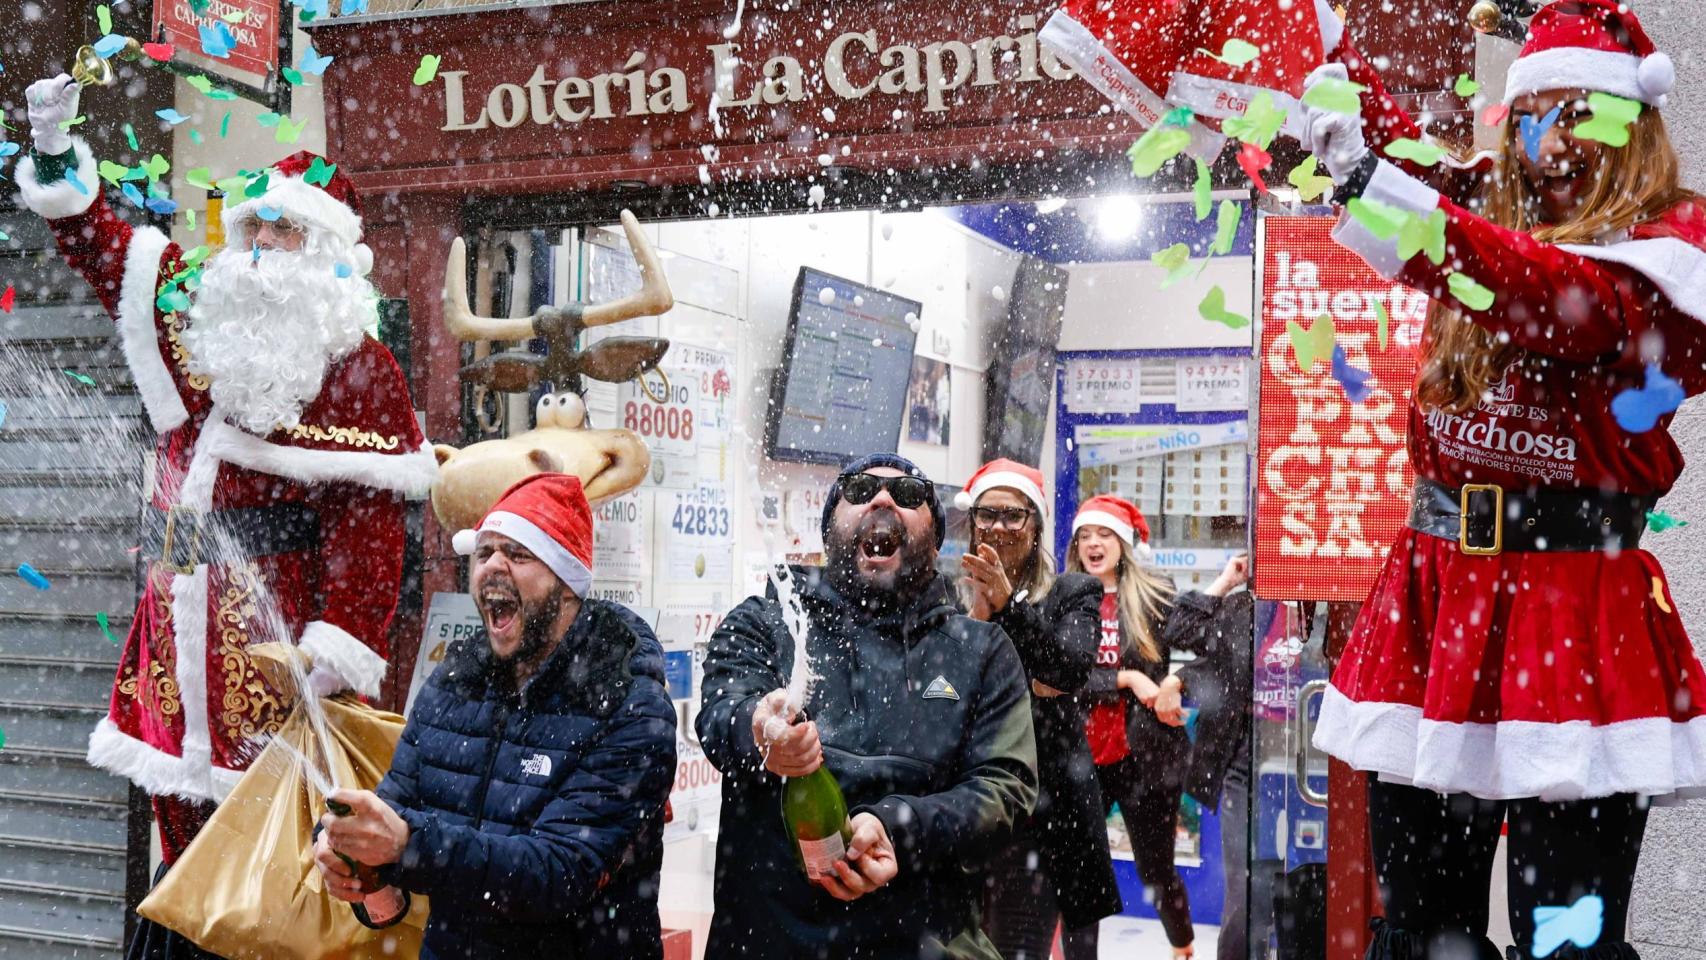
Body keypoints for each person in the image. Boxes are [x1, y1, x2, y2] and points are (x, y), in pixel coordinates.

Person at [1300, 1, 1706, 956]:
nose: (1545, 144)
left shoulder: (1670, 255)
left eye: (1577, 116)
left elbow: (1553, 296)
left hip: (1574, 611)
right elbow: (1411, 168)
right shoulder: (1490, 213)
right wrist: (1320, 49)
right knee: (1422, 935)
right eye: (1527, 116)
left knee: (1568, 946)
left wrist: (1376, 189)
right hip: (1438, 596)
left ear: (1635, 126)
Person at [14, 74, 437, 955]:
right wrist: (54, 154)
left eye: (287, 230)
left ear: (328, 255)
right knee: (180, 851)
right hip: (172, 653)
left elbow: (367, 543)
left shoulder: (362, 373)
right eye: (255, 229)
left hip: (273, 668)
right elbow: (107, 250)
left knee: (273, 869)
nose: (264, 246)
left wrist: (326, 657)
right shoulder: (201, 315)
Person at [314, 473, 677, 959]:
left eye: (519, 554)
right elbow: (396, 807)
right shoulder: (453, 684)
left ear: (567, 585)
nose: (493, 566)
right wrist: (353, 852)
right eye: (484, 552)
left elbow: (560, 873)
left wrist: (406, 845)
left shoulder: (629, 703)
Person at [697, 453, 1038, 959]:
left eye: (907, 495)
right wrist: (760, 730)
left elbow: (1005, 789)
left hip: (922, 941)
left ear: (936, 538)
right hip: (769, 939)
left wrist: (897, 826)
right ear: (829, 528)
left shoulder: (981, 651)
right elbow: (721, 714)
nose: (881, 499)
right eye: (858, 490)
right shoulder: (765, 623)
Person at [953, 460, 1123, 959]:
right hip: (959, 807)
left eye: (1014, 515)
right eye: (988, 514)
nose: (999, 527)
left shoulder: (1073, 592)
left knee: (1016, 947)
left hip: (1040, 814)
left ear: (1037, 525)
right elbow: (944, 691)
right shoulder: (945, 594)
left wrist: (1007, 606)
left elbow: (1068, 669)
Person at [1061, 495, 1196, 960]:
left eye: (1104, 534)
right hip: (1080, 756)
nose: (1093, 544)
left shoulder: (1154, 594)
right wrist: (1128, 678)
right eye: (1085, 536)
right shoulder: (1063, 597)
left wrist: (1174, 683)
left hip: (1145, 756)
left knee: (1155, 872)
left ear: (1122, 542)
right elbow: (1061, 675)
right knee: (1081, 875)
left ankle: (1184, 947)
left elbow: (1205, 639)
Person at [1160, 557, 1262, 960]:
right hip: (1242, 760)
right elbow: (1179, 629)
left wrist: (1180, 678)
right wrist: (1226, 581)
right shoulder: (1242, 608)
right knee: (1243, 884)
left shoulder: (1322, 611)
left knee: (1293, 881)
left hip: (1303, 758)